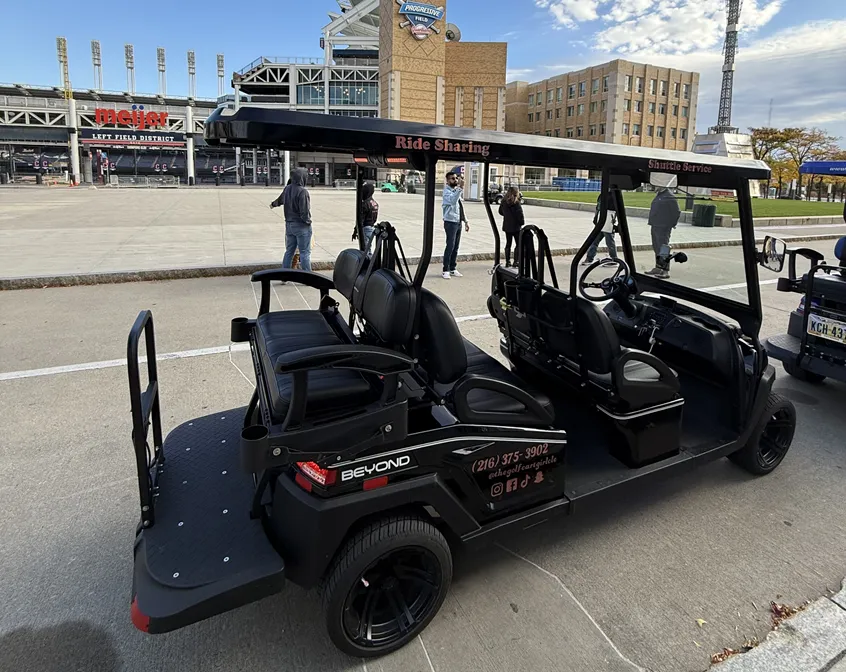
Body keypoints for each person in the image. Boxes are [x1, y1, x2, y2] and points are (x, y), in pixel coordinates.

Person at [270, 168, 313, 272]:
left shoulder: (287, 188)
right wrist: (308, 222)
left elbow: (280, 200)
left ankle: (284, 275)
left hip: (289, 225)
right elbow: (304, 211)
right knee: (304, 252)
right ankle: (308, 276)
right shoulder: (303, 192)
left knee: (289, 251)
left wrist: (273, 204)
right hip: (301, 226)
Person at [645, 187, 681, 278]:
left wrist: (671, 224)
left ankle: (665, 270)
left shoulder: (669, 196)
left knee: (663, 248)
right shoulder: (660, 195)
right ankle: (658, 267)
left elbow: (676, 212)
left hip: (663, 226)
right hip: (655, 225)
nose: (653, 187)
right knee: (656, 247)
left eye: (656, 185)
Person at [441, 171, 468, 279]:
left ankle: (453, 268)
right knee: (450, 246)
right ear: (447, 180)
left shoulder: (456, 191)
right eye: (452, 178)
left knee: (456, 247)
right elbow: (452, 201)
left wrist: (465, 221)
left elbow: (460, 207)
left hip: (458, 222)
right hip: (450, 222)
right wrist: (460, 188)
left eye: (456, 178)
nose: (455, 180)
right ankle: (445, 269)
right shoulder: (447, 192)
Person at [582, 192, 619, 266]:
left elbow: (617, 209)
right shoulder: (603, 195)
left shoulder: (613, 196)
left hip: (608, 219)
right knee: (596, 240)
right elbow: (598, 207)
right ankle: (590, 258)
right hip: (601, 219)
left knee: (609, 241)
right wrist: (596, 217)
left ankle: (614, 259)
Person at [498, 186, 525, 268]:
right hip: (516, 226)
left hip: (507, 225)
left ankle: (507, 261)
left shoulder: (504, 201)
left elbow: (500, 211)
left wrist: (507, 216)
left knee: (508, 243)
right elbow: (520, 215)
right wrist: (522, 222)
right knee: (518, 244)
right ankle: (516, 261)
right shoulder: (516, 203)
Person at [351, 182, 379, 250]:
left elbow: (360, 219)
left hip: (365, 228)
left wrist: (355, 231)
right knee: (369, 247)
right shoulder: (375, 203)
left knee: (365, 250)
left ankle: (367, 260)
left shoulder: (364, 205)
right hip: (371, 227)